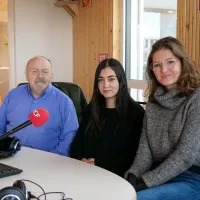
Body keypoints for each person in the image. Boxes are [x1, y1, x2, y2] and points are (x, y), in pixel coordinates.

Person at [125, 37, 200, 200]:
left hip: (193, 178)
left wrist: (146, 182)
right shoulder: (153, 103)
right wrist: (133, 175)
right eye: (157, 65)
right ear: (152, 70)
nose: (164, 70)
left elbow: (185, 156)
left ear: (182, 62)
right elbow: (145, 152)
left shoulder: (196, 98)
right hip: (160, 175)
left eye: (170, 62)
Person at [70, 58, 144, 177]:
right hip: (85, 173)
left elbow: (134, 156)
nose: (105, 85)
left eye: (111, 79)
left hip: (117, 178)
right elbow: (77, 143)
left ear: (121, 81)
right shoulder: (92, 108)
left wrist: (99, 164)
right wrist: (81, 159)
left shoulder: (136, 112)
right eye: (101, 80)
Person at [0, 56, 78, 156]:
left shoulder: (64, 102)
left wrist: (51, 160)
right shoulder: (12, 95)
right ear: (27, 75)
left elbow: (69, 138)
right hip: (10, 157)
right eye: (34, 71)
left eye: (45, 72)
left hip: (47, 162)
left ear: (51, 75)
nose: (40, 76)